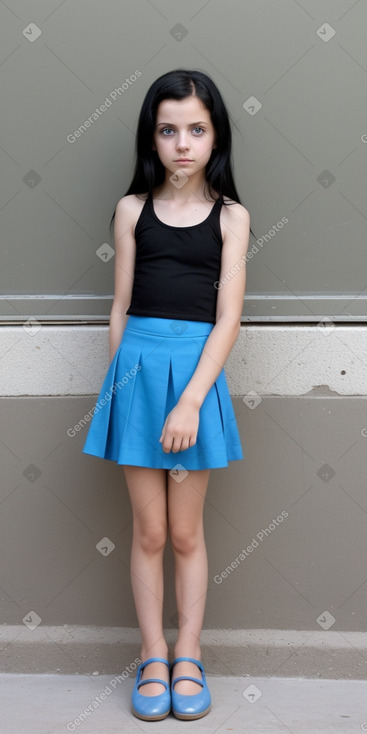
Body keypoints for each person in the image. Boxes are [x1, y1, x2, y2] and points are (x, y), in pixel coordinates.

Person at [82, 68, 251, 721]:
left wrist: (189, 400)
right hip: (138, 376)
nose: (182, 143)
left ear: (215, 137)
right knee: (147, 531)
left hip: (195, 379)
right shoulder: (131, 210)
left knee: (184, 532)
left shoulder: (232, 218)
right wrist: (124, 392)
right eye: (168, 130)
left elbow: (228, 318)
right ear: (151, 139)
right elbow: (120, 308)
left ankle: (188, 652)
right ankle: (151, 654)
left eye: (196, 129)